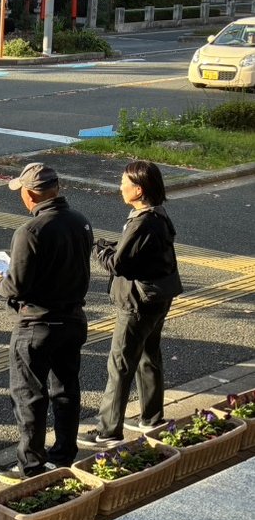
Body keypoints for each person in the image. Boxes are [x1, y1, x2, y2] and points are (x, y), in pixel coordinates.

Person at [0, 162, 93, 482]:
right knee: (66, 389)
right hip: (73, 320)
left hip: (37, 325)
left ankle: (31, 465)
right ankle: (63, 454)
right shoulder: (81, 222)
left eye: (22, 189)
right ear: (56, 189)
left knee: (29, 396)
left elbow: (15, 287)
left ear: (30, 194)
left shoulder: (30, 232)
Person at [78, 161, 182, 448]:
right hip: (158, 296)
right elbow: (133, 251)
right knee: (149, 356)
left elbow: (118, 263)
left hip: (138, 303)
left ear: (138, 189)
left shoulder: (141, 222)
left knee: (120, 364)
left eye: (124, 182)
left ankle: (107, 432)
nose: (120, 187)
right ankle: (151, 417)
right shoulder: (157, 214)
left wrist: (97, 248)